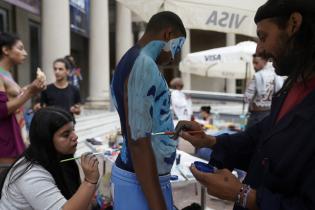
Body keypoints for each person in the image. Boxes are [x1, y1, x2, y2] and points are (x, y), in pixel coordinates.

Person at [174, 0, 315, 209]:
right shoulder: (293, 84)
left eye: (263, 36)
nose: (260, 49)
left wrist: (243, 194)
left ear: (293, 24)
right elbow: (261, 137)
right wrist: (210, 141)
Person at [111, 11, 186, 210]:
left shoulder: (130, 59)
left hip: (140, 180)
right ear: (168, 35)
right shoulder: (143, 64)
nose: (174, 57)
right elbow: (138, 141)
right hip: (139, 183)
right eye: (177, 48)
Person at [0, 107, 99, 210]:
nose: (75, 137)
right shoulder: (31, 175)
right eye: (66, 135)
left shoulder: (61, 158)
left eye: (73, 130)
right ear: (46, 140)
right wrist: (89, 181)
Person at [0, 32, 45, 166]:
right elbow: (1, 109)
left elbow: (11, 99)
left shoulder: (7, 73)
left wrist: (30, 89)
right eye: (20, 48)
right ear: (6, 50)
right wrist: (30, 92)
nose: (25, 53)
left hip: (14, 136)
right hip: (5, 141)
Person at [244, 53, 284, 128]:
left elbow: (247, 98)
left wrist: (248, 85)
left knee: (249, 138)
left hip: (256, 115)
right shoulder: (276, 75)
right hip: (271, 114)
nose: (254, 66)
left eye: (256, 63)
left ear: (264, 61)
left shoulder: (257, 76)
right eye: (253, 63)